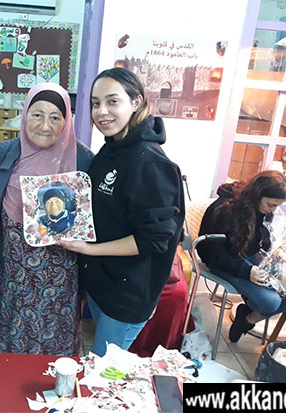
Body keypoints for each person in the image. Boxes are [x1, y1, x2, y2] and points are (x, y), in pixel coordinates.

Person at [59, 68, 185, 357]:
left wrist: (89, 249)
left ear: (136, 102)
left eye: (112, 101)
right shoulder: (112, 148)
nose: (101, 111)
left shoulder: (151, 163)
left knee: (102, 372)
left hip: (126, 296)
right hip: (101, 284)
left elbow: (153, 239)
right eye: (95, 103)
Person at [0, 82, 93, 356]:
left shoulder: (84, 161)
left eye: (55, 117)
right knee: (10, 357)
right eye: (37, 115)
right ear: (24, 116)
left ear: (67, 121)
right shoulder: (2, 156)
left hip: (61, 290)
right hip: (13, 285)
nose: (45, 126)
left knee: (55, 362)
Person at [197, 170, 286, 343]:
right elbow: (213, 254)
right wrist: (247, 272)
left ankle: (246, 319)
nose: (273, 210)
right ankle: (248, 314)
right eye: (271, 205)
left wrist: (273, 251)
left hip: (246, 256)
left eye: (276, 206)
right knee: (271, 302)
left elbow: (260, 238)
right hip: (222, 260)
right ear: (258, 194)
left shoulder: (261, 209)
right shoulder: (226, 211)